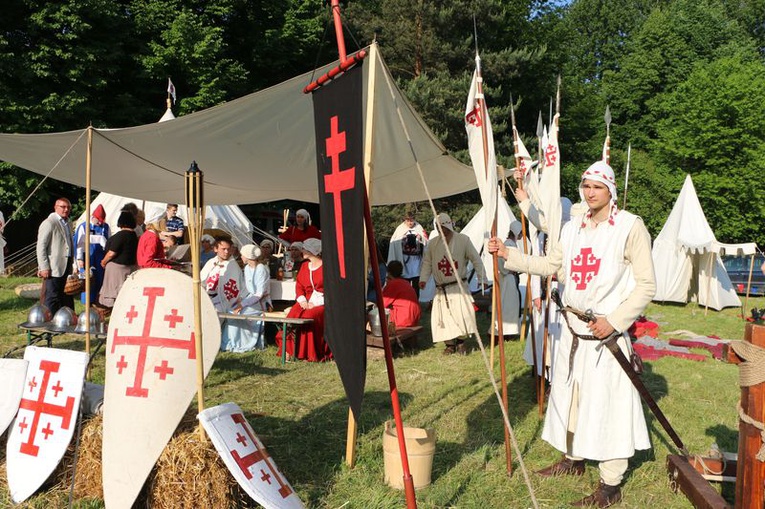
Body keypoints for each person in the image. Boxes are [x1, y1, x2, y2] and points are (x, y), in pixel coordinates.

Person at [488, 161, 656, 508]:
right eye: (585, 185)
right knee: (567, 399)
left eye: (597, 186)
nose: (590, 192)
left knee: (608, 405)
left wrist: (615, 320)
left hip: (605, 335)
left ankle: (611, 483)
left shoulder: (629, 227)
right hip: (571, 330)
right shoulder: (572, 227)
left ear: (610, 189)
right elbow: (552, 266)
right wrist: (510, 255)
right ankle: (573, 459)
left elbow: (646, 284)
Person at [419, 212, 485, 355]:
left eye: (442, 227)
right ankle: (449, 344)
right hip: (441, 288)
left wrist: (482, 278)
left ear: (448, 225)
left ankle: (461, 343)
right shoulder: (433, 244)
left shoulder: (463, 240)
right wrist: (423, 279)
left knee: (462, 315)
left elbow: (476, 259)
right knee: (444, 317)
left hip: (458, 286)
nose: (440, 230)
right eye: (437, 227)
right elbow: (427, 262)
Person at [275, 238, 331, 362]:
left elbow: (332, 290)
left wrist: (315, 303)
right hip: (305, 301)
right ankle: (288, 349)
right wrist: (302, 300)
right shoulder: (305, 266)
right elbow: (299, 285)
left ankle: (307, 352)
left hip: (322, 304)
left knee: (308, 316)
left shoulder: (327, 268)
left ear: (313, 251)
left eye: (305, 248)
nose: (303, 250)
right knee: (294, 314)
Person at [221, 244, 271, 352]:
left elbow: (259, 294)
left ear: (248, 256)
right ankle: (231, 342)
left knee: (236, 313)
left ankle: (243, 343)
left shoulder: (261, 269)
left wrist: (242, 305)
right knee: (230, 310)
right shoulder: (247, 268)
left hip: (260, 303)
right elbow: (246, 288)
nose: (241, 257)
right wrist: (240, 299)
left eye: (242, 255)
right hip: (250, 299)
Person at [36, 198, 75, 314]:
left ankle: (67, 319)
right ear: (55, 207)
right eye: (63, 207)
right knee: (52, 296)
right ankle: (49, 321)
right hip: (53, 266)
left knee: (66, 294)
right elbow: (41, 246)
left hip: (66, 264)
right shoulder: (49, 223)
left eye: (68, 207)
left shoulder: (68, 222)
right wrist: (43, 266)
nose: (66, 209)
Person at [99, 211, 138, 308]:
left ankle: (112, 308)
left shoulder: (121, 235)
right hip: (130, 267)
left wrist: (103, 262)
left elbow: (112, 253)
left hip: (117, 269)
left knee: (114, 293)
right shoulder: (134, 236)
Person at [73, 204, 110, 304]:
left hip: (100, 258)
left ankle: (98, 304)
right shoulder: (83, 227)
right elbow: (78, 244)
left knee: (99, 280)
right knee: (88, 282)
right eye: (98, 221)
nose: (99, 223)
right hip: (87, 257)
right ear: (93, 217)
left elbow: (108, 243)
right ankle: (87, 305)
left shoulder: (105, 227)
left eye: (101, 221)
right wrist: (79, 259)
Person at [491, 220, 522, 339]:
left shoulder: (511, 244)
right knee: (507, 306)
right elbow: (501, 262)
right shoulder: (508, 244)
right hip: (507, 279)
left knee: (511, 306)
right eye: (519, 233)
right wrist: (510, 270)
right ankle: (504, 331)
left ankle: (509, 331)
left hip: (510, 279)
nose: (521, 236)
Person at [388, 211, 428, 296]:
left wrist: (420, 238)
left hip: (416, 261)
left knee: (416, 284)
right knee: (405, 283)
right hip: (404, 261)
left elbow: (426, 241)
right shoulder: (400, 229)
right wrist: (402, 239)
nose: (410, 222)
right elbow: (394, 242)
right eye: (408, 220)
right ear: (405, 220)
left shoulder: (419, 227)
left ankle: (416, 301)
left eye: (412, 220)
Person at [200, 236, 243, 313]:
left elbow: (233, 291)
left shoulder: (233, 267)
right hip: (207, 298)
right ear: (215, 249)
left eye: (228, 249)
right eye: (223, 249)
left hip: (222, 303)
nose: (226, 252)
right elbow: (202, 281)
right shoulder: (211, 262)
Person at [383, 260, 421, 329]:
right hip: (414, 317)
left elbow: (382, 303)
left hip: (404, 319)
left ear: (388, 273)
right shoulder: (405, 282)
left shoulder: (393, 284)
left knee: (379, 314)